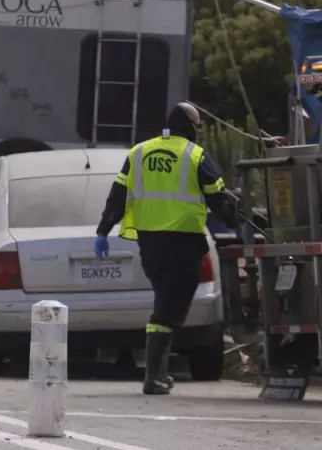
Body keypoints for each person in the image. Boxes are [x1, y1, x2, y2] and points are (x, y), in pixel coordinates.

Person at [93, 101, 239, 395]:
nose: (199, 131)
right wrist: (239, 218)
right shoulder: (194, 155)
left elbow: (117, 195)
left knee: (164, 300)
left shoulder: (139, 152)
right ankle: (153, 377)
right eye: (198, 126)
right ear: (188, 126)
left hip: (150, 243)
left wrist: (103, 231)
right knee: (168, 310)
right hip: (183, 242)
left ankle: (158, 374)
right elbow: (218, 198)